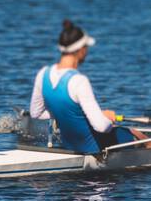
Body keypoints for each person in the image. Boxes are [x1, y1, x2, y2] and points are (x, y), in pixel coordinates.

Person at [30, 20, 143, 154]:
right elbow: (101, 127)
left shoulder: (43, 74)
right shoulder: (79, 81)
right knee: (135, 133)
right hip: (92, 148)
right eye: (86, 47)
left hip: (69, 145)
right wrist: (107, 117)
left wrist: (69, 113)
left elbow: (35, 113)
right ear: (81, 50)